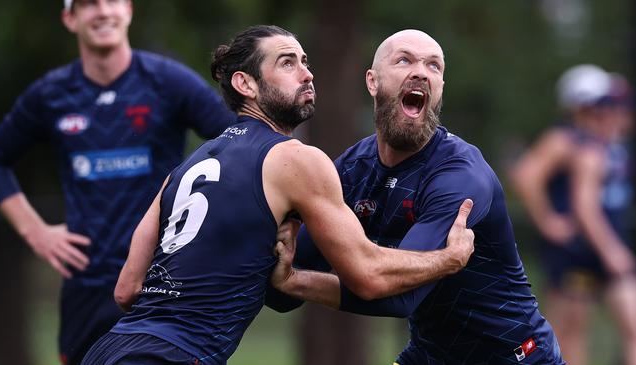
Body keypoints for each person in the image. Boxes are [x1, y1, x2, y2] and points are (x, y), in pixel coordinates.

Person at [80, 24, 476, 365]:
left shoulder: (183, 169)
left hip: (109, 348)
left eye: (305, 61)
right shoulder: (295, 158)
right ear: (245, 84)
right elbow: (368, 275)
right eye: (287, 63)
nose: (307, 74)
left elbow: (127, 289)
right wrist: (448, 259)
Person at [266, 29, 565, 364]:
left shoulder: (459, 175)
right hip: (431, 355)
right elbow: (284, 282)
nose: (421, 72)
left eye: (434, 66)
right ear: (373, 81)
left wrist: (297, 283)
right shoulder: (352, 170)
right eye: (404, 60)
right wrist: (276, 264)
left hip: (515, 356)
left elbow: (399, 298)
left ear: (439, 91)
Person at [0, 0, 238, 364]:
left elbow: (236, 142)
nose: (103, 11)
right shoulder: (51, 94)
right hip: (85, 287)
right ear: (69, 18)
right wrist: (35, 232)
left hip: (161, 282)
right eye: (89, 4)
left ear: (129, 10)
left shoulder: (170, 82)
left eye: (112, 1)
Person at [511, 65, 636, 365]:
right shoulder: (566, 139)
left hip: (599, 244)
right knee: (568, 331)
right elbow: (526, 175)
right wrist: (548, 220)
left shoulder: (602, 139)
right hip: (575, 249)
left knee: (613, 325)